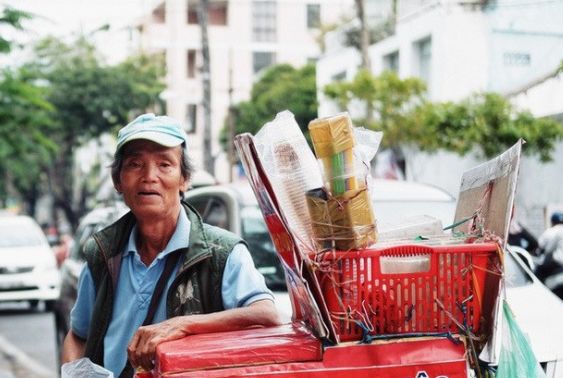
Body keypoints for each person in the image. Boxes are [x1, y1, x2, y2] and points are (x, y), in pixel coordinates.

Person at [61, 113, 280, 377]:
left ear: (184, 179)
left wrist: (181, 325)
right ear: (118, 181)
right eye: (135, 164)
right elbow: (78, 335)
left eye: (164, 164)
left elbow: (267, 315)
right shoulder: (103, 253)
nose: (149, 176)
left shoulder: (222, 253)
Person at [534, 211, 563, 282]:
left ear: (552, 222)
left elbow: (547, 249)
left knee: (538, 274)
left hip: (558, 262)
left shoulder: (550, 231)